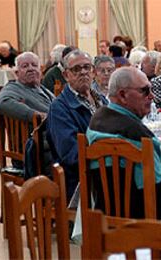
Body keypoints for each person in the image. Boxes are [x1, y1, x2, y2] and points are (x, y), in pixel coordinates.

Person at [86, 67, 161, 220]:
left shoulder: (96, 121)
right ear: (123, 95)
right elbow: (160, 198)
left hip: (103, 220)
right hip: (143, 225)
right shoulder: (139, 137)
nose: (152, 96)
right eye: (145, 91)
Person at [47, 50, 108, 201]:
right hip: (82, 181)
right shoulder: (59, 108)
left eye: (87, 67)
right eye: (76, 69)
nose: (83, 72)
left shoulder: (101, 100)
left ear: (93, 72)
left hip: (105, 169)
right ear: (66, 75)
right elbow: (71, 154)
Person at [0, 52, 55, 172]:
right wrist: (37, 115)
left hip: (53, 142)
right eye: (25, 66)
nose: (31, 69)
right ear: (16, 73)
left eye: (34, 65)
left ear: (40, 70)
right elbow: (2, 103)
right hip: (36, 151)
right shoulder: (13, 88)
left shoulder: (42, 89)